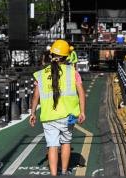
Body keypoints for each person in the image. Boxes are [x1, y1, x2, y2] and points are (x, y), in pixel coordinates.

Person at [30, 39, 86, 176]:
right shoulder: (72, 72)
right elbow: (81, 93)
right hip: (68, 117)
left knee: (52, 146)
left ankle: (54, 174)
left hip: (49, 117)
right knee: (66, 143)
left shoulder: (41, 74)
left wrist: (33, 113)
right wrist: (82, 111)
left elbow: (36, 96)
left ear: (51, 55)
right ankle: (65, 171)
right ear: (67, 57)